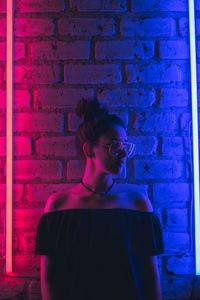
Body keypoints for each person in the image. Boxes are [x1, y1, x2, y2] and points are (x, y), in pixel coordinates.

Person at [35, 99, 164, 300]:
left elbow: (151, 277)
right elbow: (50, 279)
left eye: (125, 145)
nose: (123, 153)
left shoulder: (138, 206)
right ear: (89, 150)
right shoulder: (58, 207)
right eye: (114, 145)